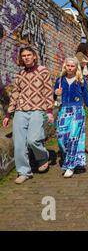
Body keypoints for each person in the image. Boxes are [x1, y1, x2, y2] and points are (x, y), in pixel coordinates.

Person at [2, 46, 53, 184]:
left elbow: (48, 91)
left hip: (38, 109)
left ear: (34, 56)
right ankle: (24, 171)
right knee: (19, 143)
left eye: (29, 55)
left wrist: (49, 111)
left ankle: (43, 157)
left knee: (33, 140)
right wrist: (8, 114)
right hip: (20, 111)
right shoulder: (20, 75)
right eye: (24, 55)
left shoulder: (43, 71)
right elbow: (15, 94)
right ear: (21, 58)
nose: (26, 57)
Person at [54, 58, 88, 178]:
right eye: (67, 65)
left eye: (72, 66)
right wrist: (55, 93)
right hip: (63, 111)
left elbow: (87, 98)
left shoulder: (81, 80)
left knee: (73, 138)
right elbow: (53, 96)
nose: (69, 68)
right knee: (61, 139)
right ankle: (72, 160)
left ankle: (70, 166)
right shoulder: (59, 80)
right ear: (65, 66)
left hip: (77, 112)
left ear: (76, 67)